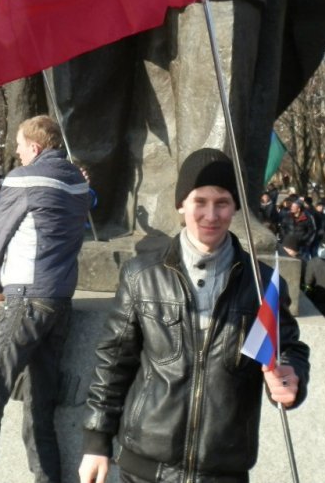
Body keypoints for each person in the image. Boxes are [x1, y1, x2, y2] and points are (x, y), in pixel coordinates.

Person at [79, 149, 310, 483]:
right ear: (181, 205)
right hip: (145, 467)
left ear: (235, 207)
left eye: (222, 203)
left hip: (223, 469)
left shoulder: (262, 285)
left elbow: (288, 348)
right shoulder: (141, 275)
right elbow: (113, 363)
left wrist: (290, 376)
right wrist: (96, 442)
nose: (210, 215)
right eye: (200, 202)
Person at [0, 115, 91, 483]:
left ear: (35, 147)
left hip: (25, 299)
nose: (16, 152)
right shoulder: (77, 182)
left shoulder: (23, 178)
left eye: (19, 145)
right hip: (59, 301)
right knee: (39, 407)